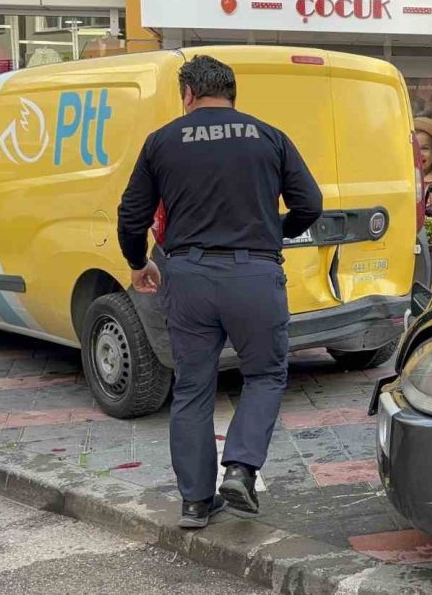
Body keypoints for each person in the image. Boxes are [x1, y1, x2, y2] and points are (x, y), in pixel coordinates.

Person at [117, 55, 323, 529]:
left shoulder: (162, 141)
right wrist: (275, 230)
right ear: (232, 93)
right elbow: (309, 204)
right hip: (254, 275)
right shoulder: (269, 136)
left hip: (186, 277)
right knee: (266, 374)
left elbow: (132, 216)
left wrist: (137, 263)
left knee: (192, 387)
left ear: (188, 94)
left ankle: (194, 502)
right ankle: (241, 469)